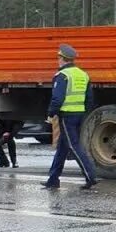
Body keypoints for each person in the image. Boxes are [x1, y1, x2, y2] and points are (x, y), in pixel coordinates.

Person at [43, 44, 97, 190]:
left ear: (63, 59)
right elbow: (89, 99)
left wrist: (50, 114)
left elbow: (57, 99)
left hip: (67, 116)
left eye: (59, 58)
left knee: (74, 146)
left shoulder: (62, 76)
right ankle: (53, 179)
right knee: (62, 147)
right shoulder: (83, 74)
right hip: (79, 114)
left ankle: (90, 176)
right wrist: (83, 112)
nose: (58, 60)